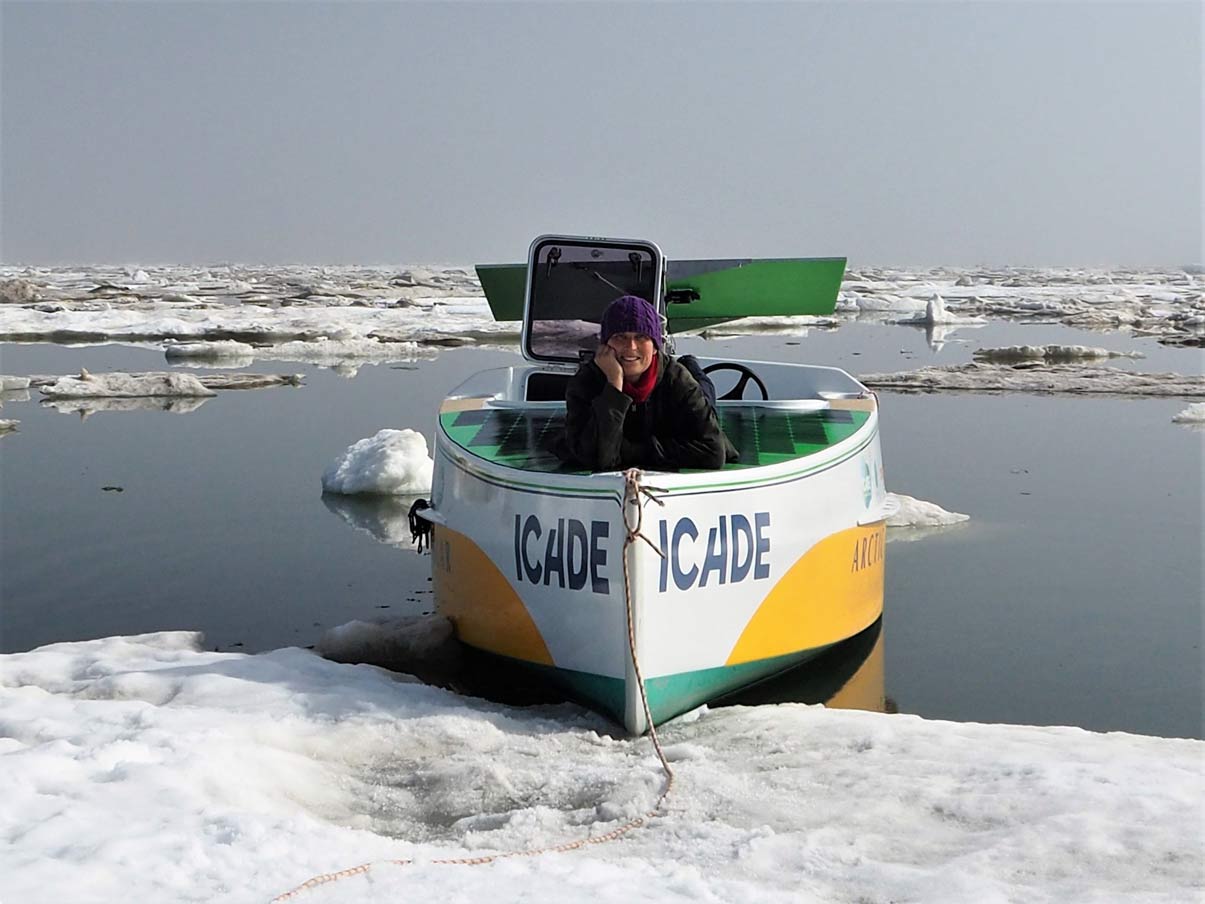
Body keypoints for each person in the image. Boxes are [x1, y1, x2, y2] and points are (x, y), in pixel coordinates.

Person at [558, 294, 738, 471]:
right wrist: (614, 385)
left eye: (641, 337)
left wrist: (629, 451)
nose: (631, 346)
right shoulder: (586, 382)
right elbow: (596, 457)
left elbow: (713, 452)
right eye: (620, 336)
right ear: (605, 345)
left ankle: (690, 363)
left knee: (704, 391)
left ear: (654, 347)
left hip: (689, 382)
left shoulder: (678, 380)